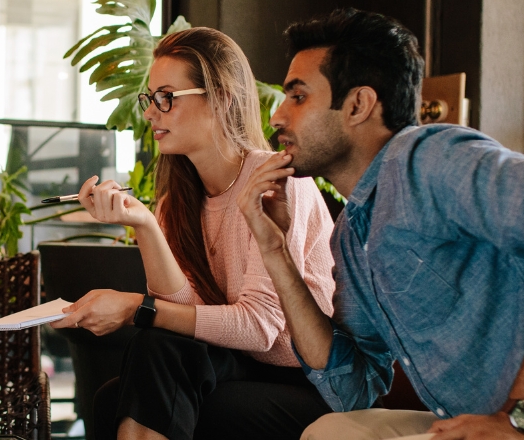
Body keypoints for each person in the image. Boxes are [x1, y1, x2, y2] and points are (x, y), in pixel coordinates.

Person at [234, 8, 524, 440]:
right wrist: (275, 252)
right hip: (486, 425)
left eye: (297, 97)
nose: (278, 117)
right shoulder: (353, 236)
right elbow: (353, 388)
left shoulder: (428, 159)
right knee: (333, 430)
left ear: (358, 105)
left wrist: (519, 419)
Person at [49, 27, 339, 440]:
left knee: (157, 390)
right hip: (234, 363)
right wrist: (146, 225)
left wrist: (136, 308)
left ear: (221, 97)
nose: (151, 113)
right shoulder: (177, 203)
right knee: (120, 388)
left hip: (305, 379)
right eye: (149, 99)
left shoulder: (276, 184)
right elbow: (186, 318)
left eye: (166, 97)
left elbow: (260, 328)